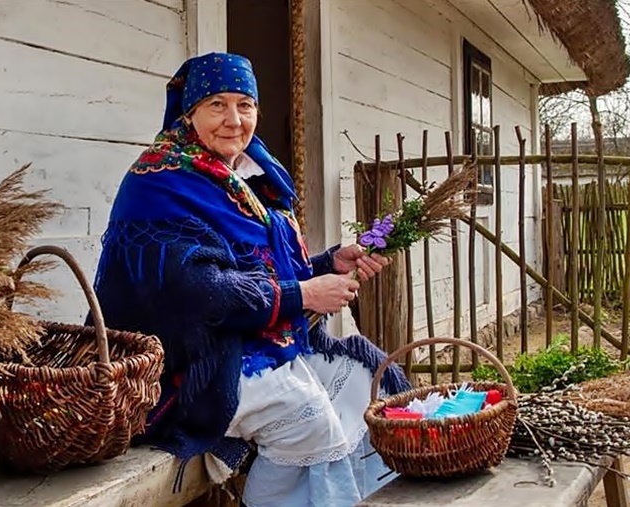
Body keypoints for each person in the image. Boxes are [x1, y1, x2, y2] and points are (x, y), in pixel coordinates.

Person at [91, 52, 411, 507]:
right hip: (188, 360)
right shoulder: (160, 182)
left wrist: (329, 264)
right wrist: (304, 295)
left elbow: (264, 268)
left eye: (245, 105)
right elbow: (197, 293)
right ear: (190, 112)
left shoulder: (249, 177)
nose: (234, 120)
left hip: (250, 336)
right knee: (308, 418)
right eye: (216, 105)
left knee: (362, 382)